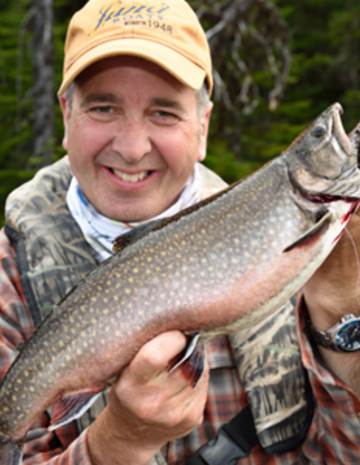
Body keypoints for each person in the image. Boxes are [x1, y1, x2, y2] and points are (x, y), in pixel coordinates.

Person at [1, 0, 359, 463]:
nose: (132, 148)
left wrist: (341, 307)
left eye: (164, 113)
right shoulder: (8, 282)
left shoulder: (280, 239)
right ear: (66, 117)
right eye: (104, 107)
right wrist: (117, 444)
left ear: (204, 126)